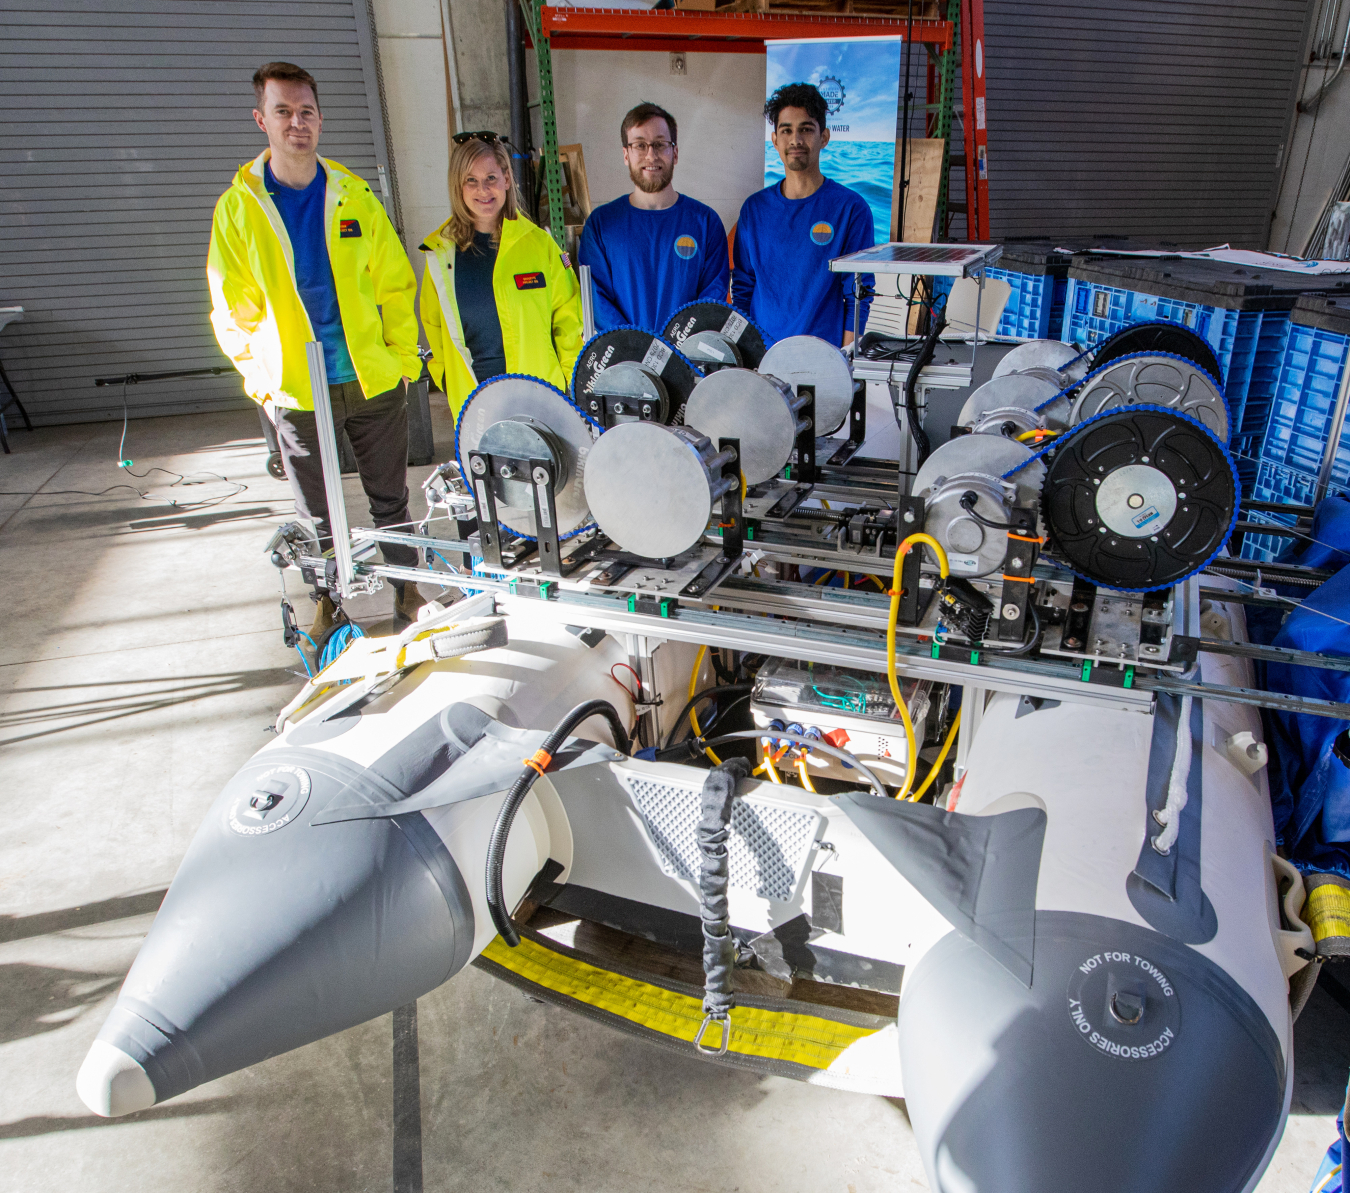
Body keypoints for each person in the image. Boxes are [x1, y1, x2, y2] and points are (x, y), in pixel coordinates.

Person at [208, 61, 426, 638]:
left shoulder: (352, 195)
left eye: (306, 112)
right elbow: (232, 306)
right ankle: (329, 602)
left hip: (370, 379)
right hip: (297, 387)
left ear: (320, 120)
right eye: (283, 111)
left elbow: (395, 285)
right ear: (262, 120)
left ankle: (408, 591)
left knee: (390, 501)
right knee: (318, 514)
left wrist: (404, 361)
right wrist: (260, 377)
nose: (296, 122)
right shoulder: (240, 208)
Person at [419, 133, 583, 417]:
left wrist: (571, 385)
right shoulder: (441, 254)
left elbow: (569, 323)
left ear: (507, 179)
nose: (483, 190)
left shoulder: (540, 246)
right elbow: (433, 323)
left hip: (541, 399)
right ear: (458, 186)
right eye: (471, 180)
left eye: (491, 178)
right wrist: (445, 376)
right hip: (475, 403)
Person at [732, 82, 874, 346]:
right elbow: (742, 289)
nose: (796, 140)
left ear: (824, 137)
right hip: (763, 359)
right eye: (786, 130)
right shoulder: (753, 210)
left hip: (823, 358)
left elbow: (858, 295)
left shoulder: (851, 209)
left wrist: (843, 362)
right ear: (775, 140)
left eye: (806, 129)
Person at [578, 102, 729, 333]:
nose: (651, 155)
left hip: (689, 362)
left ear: (675, 153)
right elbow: (597, 303)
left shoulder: (706, 223)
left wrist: (675, 355)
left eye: (660, 144)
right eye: (640, 145)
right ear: (626, 154)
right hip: (626, 361)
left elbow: (710, 303)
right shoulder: (601, 225)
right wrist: (639, 350)